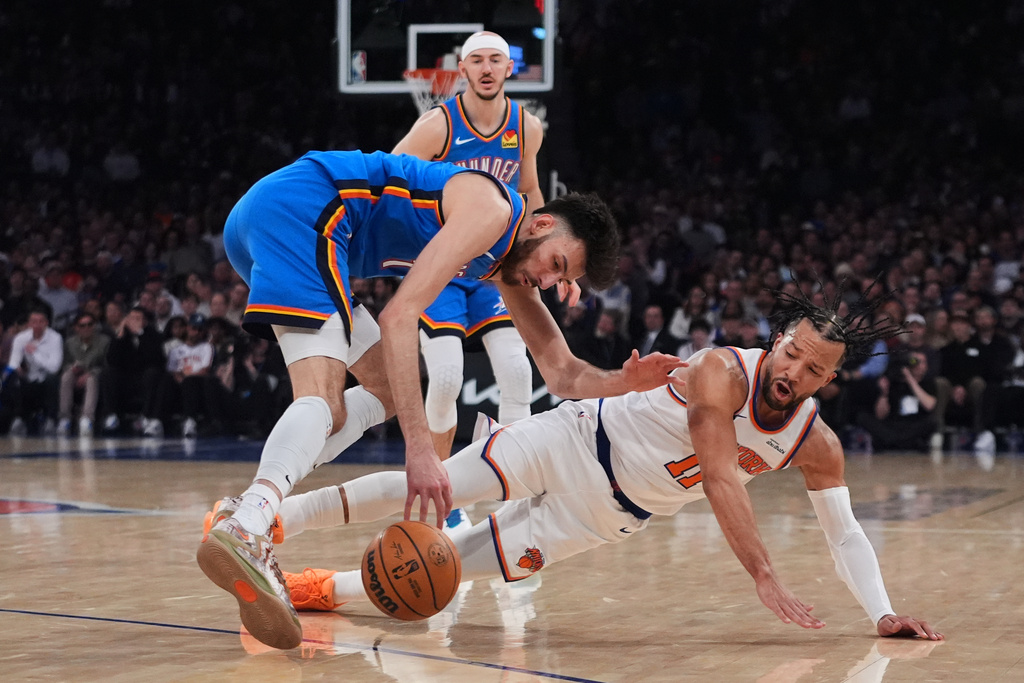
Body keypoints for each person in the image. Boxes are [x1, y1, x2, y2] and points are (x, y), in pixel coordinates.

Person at [197, 148, 684, 650]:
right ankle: (251, 518)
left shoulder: (504, 263)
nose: (547, 281)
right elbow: (399, 316)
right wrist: (421, 449)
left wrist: (622, 382)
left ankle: (249, 511)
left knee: (383, 391)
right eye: (555, 265)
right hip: (306, 210)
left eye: (561, 281)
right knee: (323, 393)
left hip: (280, 220)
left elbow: (561, 374)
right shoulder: (493, 211)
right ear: (539, 224)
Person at [273, 289, 942, 645]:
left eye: (814, 368)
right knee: (440, 483)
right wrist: (764, 573)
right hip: (573, 439)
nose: (796, 371)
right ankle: (273, 519)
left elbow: (845, 533)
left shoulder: (815, 442)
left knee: (438, 573)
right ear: (777, 340)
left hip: (606, 515)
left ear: (829, 378)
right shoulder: (720, 370)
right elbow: (716, 475)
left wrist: (881, 613)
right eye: (793, 352)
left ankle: (314, 589)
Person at [391, 31, 547, 531]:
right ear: (461, 69)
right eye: (476, 60)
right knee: (446, 379)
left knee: (518, 373)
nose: (486, 68)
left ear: (509, 69)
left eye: (495, 60)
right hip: (443, 269)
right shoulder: (438, 124)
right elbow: (389, 176)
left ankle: (515, 496)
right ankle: (444, 490)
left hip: (494, 270)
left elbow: (530, 190)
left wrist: (543, 254)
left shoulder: (527, 127)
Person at [2, 307, 63, 435]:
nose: (37, 325)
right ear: (29, 323)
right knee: (13, 377)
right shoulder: (21, 338)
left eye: (41, 321)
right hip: (28, 377)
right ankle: (19, 418)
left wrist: (35, 353)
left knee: (52, 378)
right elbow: (14, 362)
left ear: (46, 323)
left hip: (46, 378)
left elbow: (54, 367)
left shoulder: (55, 338)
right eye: (34, 321)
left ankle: (51, 419)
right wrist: (16, 369)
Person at [57, 312, 110, 437]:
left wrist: (90, 372)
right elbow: (64, 364)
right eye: (82, 325)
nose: (86, 328)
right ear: (76, 328)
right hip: (75, 374)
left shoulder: (104, 342)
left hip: (96, 375)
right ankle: (65, 418)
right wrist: (72, 368)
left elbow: (107, 365)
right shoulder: (70, 343)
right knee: (66, 376)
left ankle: (87, 419)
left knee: (91, 379)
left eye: (90, 324)